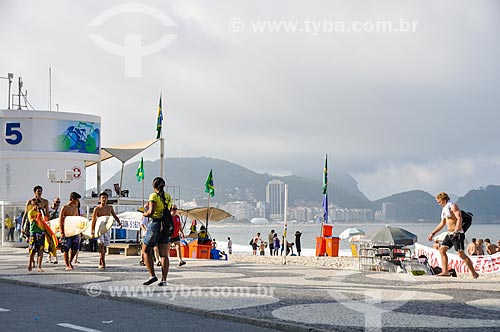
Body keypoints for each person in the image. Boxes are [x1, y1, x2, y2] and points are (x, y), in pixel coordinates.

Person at [428, 192, 479, 279]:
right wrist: (433, 233)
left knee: (461, 255)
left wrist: (456, 230)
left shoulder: (453, 206)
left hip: (457, 234)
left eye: (439, 202)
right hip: (450, 234)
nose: (439, 204)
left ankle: (474, 273)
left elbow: (459, 218)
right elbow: (442, 223)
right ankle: (445, 271)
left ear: (444, 199)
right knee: (442, 250)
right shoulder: (444, 209)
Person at [141, 177, 172, 286]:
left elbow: (151, 212)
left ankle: (152, 275)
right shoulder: (168, 197)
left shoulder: (153, 195)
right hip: (166, 226)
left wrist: (144, 213)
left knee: (145, 250)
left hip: (155, 225)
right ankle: (164, 280)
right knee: (164, 254)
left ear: (154, 186)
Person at [91, 192, 122, 269]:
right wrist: (92, 230)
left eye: (105, 197)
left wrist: (119, 223)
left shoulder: (110, 208)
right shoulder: (97, 208)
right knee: (100, 244)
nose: (104, 199)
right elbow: (93, 219)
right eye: (102, 197)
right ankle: (103, 262)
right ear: (100, 199)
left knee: (104, 246)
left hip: (107, 228)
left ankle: (101, 260)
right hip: (99, 228)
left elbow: (115, 216)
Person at [59, 192, 82, 271]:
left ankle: (70, 261)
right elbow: (60, 220)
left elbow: (78, 219)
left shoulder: (75, 208)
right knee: (66, 248)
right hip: (66, 230)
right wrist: (61, 232)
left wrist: (80, 230)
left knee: (75, 248)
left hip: (74, 230)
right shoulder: (64, 208)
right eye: (77, 200)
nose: (77, 202)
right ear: (72, 199)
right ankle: (67, 264)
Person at [27, 199, 45, 272]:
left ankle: (39, 266)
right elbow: (33, 220)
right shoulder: (31, 212)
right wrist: (39, 214)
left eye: (39, 205)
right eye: (37, 204)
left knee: (41, 249)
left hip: (40, 232)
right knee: (33, 249)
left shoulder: (40, 212)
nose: (38, 206)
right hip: (33, 232)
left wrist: (42, 213)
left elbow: (44, 220)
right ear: (33, 205)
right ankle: (30, 264)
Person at [46, 197, 61, 264]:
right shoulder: (48, 209)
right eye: (56, 202)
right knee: (51, 243)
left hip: (56, 229)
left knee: (54, 243)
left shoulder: (59, 210)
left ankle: (51, 257)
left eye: (58, 202)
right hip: (49, 227)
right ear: (53, 202)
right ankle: (53, 257)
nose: (57, 204)